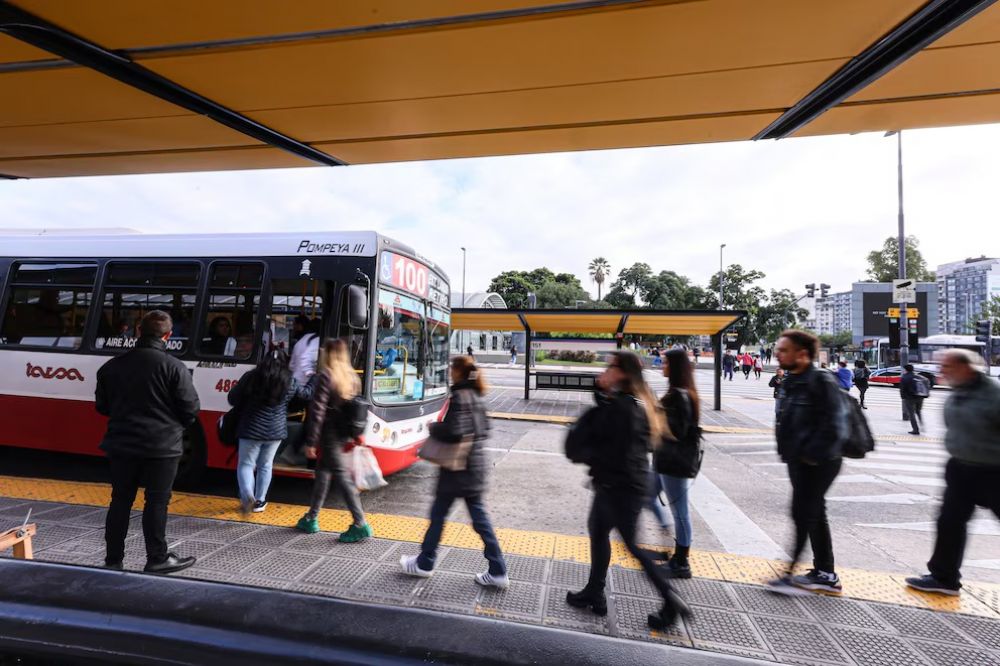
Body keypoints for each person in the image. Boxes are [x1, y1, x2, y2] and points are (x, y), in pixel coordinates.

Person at [565, 351, 691, 629]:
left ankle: (670, 597)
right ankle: (595, 591)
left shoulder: (623, 408)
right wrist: (602, 392)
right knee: (599, 532)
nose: (605, 370)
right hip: (623, 485)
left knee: (629, 545)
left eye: (610, 366)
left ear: (622, 373)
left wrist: (589, 454)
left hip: (618, 488)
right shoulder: (637, 403)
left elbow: (604, 443)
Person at [95, 310, 200, 574]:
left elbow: (102, 407)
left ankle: (112, 560)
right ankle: (157, 558)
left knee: (120, 501)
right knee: (156, 502)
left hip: (121, 444)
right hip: (162, 448)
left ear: (138, 332)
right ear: (168, 335)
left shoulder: (111, 367)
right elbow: (190, 410)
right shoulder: (175, 367)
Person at [400, 357, 508, 588]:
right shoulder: (477, 396)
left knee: (439, 515)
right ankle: (497, 569)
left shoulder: (460, 396)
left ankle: (425, 562)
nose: (449, 372)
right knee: (478, 520)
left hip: (457, 469)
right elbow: (485, 429)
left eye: (452, 368)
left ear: (459, 371)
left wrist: (433, 427)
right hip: (474, 468)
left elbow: (455, 430)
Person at [905, 349, 1000, 596]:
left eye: (946, 366)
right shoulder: (959, 392)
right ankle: (944, 578)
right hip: (961, 469)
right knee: (949, 522)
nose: (941, 371)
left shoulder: (993, 396)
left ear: (965, 367)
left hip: (993, 471)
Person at [766, 329, 845, 596]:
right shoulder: (791, 380)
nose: (778, 354)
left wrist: (811, 455)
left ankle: (791, 575)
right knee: (812, 514)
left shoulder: (821, 380)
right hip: (799, 460)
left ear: (802, 354)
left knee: (803, 514)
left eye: (783, 350)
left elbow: (835, 424)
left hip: (819, 461)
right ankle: (824, 572)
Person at [296, 339, 373, 542]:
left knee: (341, 477)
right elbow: (356, 409)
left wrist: (311, 441)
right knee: (322, 472)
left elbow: (318, 411)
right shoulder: (351, 376)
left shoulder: (326, 376)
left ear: (327, 354)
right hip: (343, 432)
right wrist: (357, 434)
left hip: (329, 433)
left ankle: (360, 523)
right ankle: (311, 517)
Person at [229, 349, 315, 513]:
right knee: (265, 465)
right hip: (275, 432)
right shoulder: (289, 381)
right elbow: (305, 395)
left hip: (250, 429)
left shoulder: (251, 377)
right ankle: (260, 502)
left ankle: (247, 497)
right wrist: (314, 378)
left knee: (246, 465)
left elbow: (232, 398)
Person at [653, 348, 701, 579]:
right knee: (646, 494)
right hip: (665, 461)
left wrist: (655, 414)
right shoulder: (679, 393)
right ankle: (665, 544)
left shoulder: (679, 396)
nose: (662, 366)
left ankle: (681, 561)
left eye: (665, 363)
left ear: (675, 367)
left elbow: (676, 431)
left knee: (680, 513)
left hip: (673, 463)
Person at [289, 315, 321, 384]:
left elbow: (291, 366)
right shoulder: (317, 340)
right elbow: (305, 359)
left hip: (294, 383)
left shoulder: (300, 341)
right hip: (305, 385)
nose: (293, 328)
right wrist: (311, 374)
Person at [900, 364, 924, 435]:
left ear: (906, 369)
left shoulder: (905, 377)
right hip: (920, 397)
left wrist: (903, 397)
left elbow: (902, 389)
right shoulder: (918, 376)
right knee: (918, 411)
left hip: (909, 398)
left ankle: (915, 429)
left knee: (911, 414)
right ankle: (921, 423)